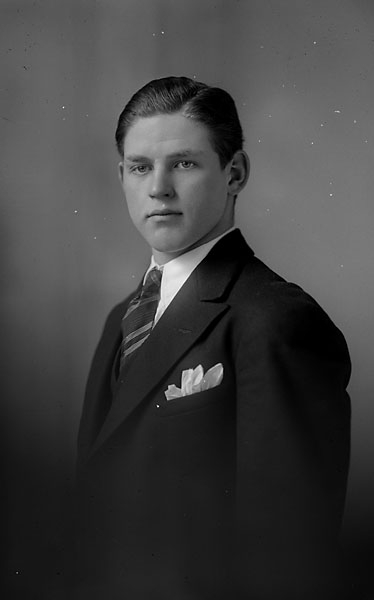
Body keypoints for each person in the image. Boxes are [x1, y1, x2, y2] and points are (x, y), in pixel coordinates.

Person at [73, 76, 351, 599]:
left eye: (183, 163)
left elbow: (288, 556)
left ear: (235, 173)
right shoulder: (121, 319)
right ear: (122, 175)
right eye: (140, 167)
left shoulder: (274, 319)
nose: (158, 188)